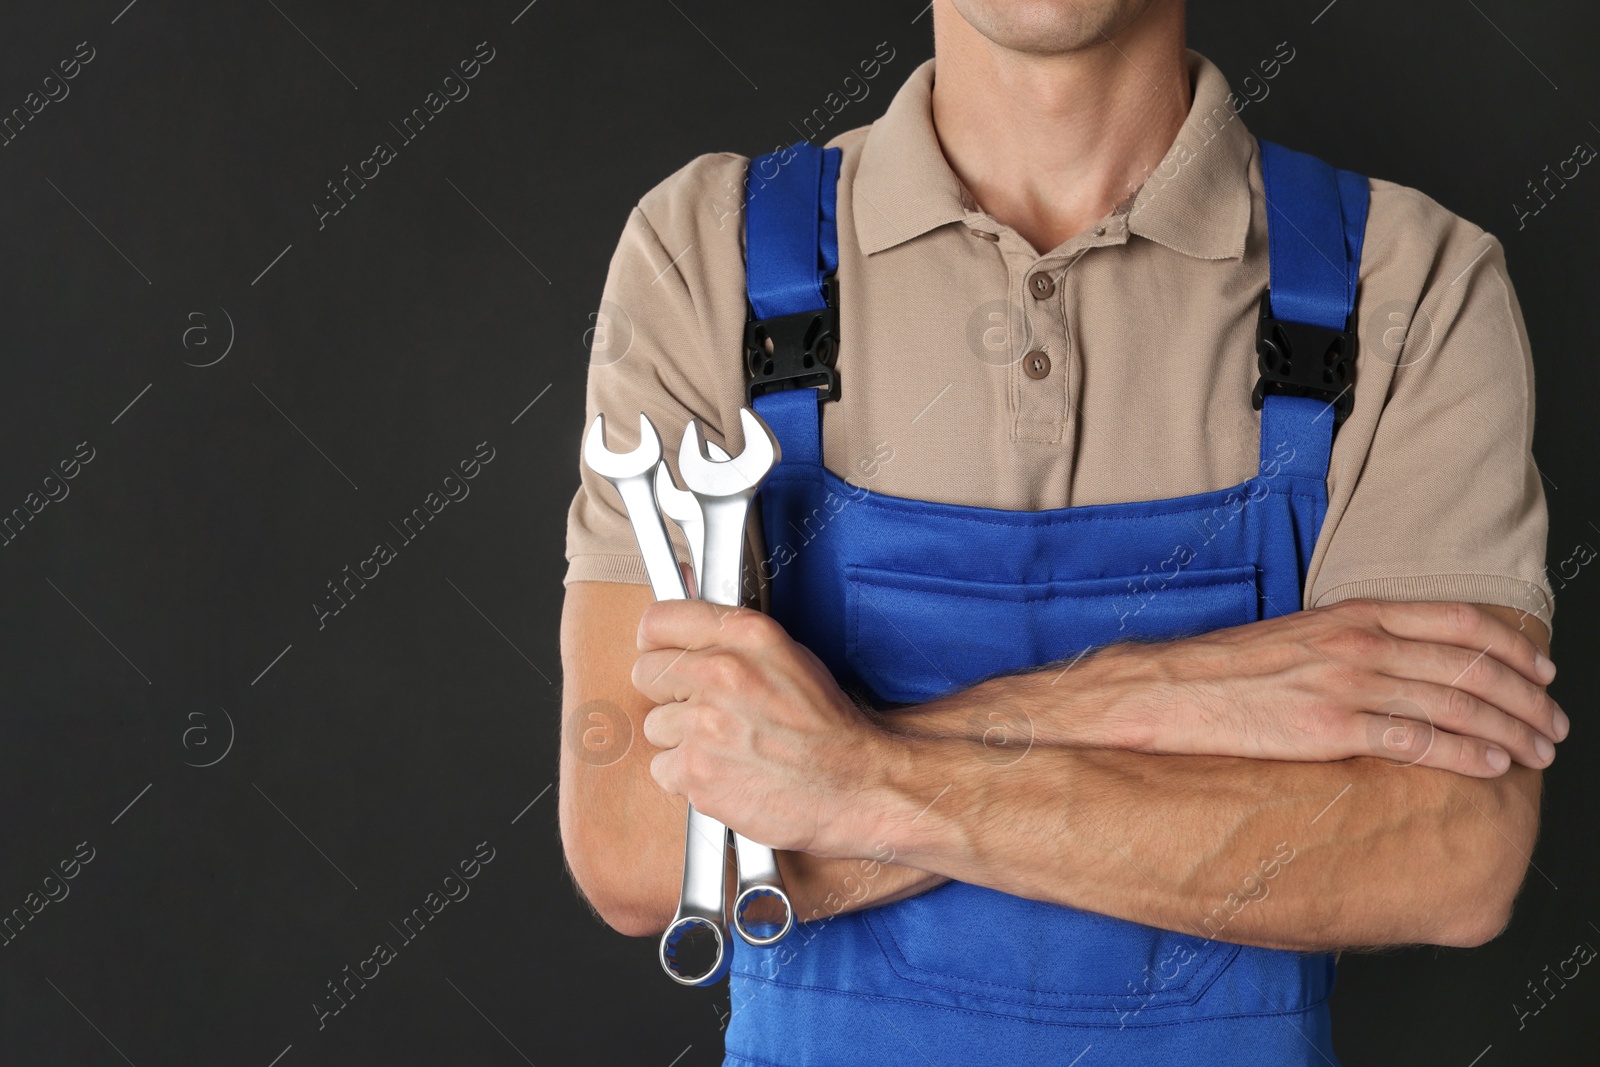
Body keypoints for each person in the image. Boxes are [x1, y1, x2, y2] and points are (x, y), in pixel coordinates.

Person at [558, 1, 1563, 1063]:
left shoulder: (1407, 283)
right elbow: (635, 841)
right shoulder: (709, 252)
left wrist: (850, 775)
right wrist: (1174, 691)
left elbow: (1451, 849)